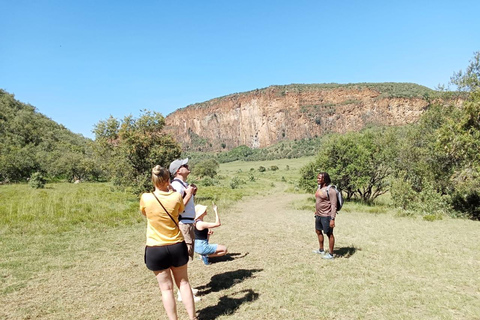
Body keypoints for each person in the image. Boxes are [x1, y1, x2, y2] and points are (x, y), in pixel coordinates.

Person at [140, 165, 198, 320]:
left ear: (153, 180)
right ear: (168, 180)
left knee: (166, 289)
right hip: (176, 245)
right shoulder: (175, 197)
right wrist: (171, 191)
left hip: (155, 248)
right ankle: (193, 318)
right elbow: (179, 211)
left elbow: (145, 213)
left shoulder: (146, 198)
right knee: (184, 284)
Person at [169, 158, 201, 302]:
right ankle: (183, 292)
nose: (187, 166)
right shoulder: (176, 186)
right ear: (178, 171)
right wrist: (188, 194)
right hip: (183, 224)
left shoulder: (183, 185)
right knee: (183, 257)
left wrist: (191, 192)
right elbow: (177, 207)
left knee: (186, 257)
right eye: (184, 165)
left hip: (188, 223)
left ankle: (185, 288)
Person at [312, 172, 337, 259]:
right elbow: (319, 201)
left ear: (324, 179)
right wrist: (316, 211)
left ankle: (330, 254)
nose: (317, 179)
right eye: (317, 178)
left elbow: (334, 205)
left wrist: (332, 219)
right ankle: (321, 250)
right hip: (318, 215)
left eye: (319, 178)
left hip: (327, 215)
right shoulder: (319, 188)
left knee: (329, 234)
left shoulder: (331, 190)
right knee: (318, 231)